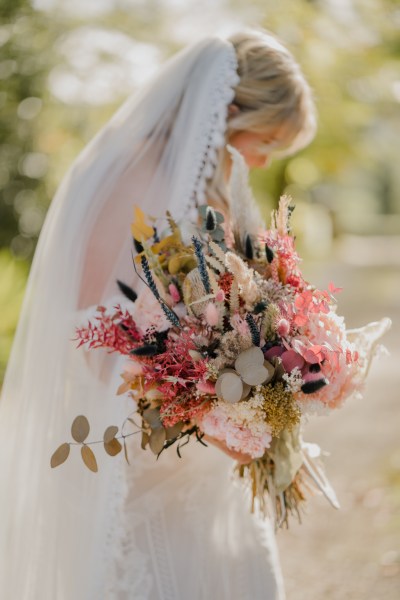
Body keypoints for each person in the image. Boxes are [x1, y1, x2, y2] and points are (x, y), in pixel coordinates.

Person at [0, 29, 316, 599]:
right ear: (231, 113)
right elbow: (92, 326)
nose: (265, 159)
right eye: (266, 139)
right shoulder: (127, 182)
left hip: (202, 462)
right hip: (143, 455)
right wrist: (198, 401)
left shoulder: (211, 196)